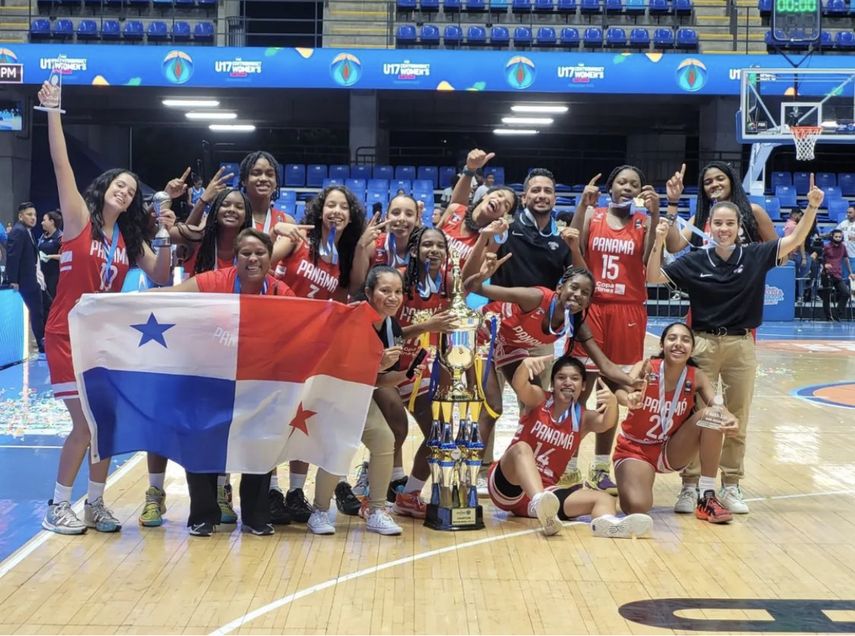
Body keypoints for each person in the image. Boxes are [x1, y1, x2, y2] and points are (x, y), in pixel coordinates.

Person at [37, 80, 172, 535]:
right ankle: (57, 505)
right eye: (120, 185)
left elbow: (159, 273)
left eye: (132, 191)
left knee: (106, 423)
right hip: (65, 334)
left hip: (101, 341)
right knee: (86, 423)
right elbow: (61, 165)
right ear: (105, 187)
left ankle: (94, 503)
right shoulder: (79, 219)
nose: (125, 193)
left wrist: (165, 232)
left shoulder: (127, 240)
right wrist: (53, 111)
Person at [647, 178, 824, 514]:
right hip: (701, 344)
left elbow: (796, 239)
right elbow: (653, 278)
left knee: (737, 417)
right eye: (718, 224)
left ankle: (731, 485)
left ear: (739, 227)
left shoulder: (756, 255)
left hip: (741, 344)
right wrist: (657, 242)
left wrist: (813, 207)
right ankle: (691, 486)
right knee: (697, 416)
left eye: (730, 223)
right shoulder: (695, 261)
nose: (724, 229)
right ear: (709, 228)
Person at [153, 228, 292, 536]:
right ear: (235, 258)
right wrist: (113, 302)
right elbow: (166, 298)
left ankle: (256, 516)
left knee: (261, 446)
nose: (253, 259)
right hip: (211, 380)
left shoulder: (282, 293)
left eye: (260, 253)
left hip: (259, 383)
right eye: (246, 253)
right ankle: (203, 514)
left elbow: (306, 330)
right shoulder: (215, 282)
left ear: (270, 258)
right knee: (200, 441)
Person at [138, 188, 255, 529]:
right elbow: (163, 229)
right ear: (216, 209)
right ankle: (154, 493)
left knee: (224, 420)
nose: (231, 209)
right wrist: (187, 201)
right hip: (187, 340)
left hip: (230, 345)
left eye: (238, 205)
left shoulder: (251, 249)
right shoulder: (196, 239)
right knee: (165, 417)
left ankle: (221, 491)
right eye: (226, 204)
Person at [466, 252, 638, 469]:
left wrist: (635, 383)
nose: (578, 295)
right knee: (493, 406)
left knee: (538, 405)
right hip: (480, 335)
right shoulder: (535, 297)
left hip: (510, 344)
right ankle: (469, 477)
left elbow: (605, 365)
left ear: (588, 302)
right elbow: (476, 288)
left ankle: (521, 465)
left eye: (585, 293)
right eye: (574, 287)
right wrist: (483, 275)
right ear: (560, 288)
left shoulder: (576, 322)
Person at [270, 186, 367, 525]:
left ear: (350, 215)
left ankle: (296, 491)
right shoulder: (299, 240)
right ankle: (270, 487)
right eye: (330, 204)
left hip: (311, 346)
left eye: (343, 206)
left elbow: (346, 295)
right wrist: (278, 230)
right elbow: (263, 261)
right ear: (319, 210)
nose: (336, 210)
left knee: (302, 417)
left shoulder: (342, 255)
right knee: (274, 416)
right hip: (278, 339)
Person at [567, 165, 661, 494]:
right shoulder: (594, 216)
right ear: (612, 186)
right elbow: (572, 242)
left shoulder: (644, 221)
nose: (628, 187)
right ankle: (567, 464)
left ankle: (600, 468)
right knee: (577, 390)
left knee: (610, 394)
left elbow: (650, 257)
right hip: (593, 307)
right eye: (622, 181)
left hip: (629, 310)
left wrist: (656, 211)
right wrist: (582, 204)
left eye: (634, 183)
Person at [490, 354, 653, 538]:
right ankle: (540, 504)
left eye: (574, 378)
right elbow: (520, 386)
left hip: (546, 492)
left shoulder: (582, 418)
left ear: (583, 386)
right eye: (561, 377)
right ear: (552, 384)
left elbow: (606, 423)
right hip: (508, 485)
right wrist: (524, 366)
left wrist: (613, 403)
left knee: (604, 498)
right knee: (522, 448)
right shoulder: (539, 399)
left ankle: (607, 524)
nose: (568, 382)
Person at [307, 265, 407, 536]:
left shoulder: (391, 325)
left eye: (398, 291)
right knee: (338, 447)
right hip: (331, 392)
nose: (393, 297)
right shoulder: (350, 319)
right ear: (368, 292)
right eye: (385, 290)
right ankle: (318, 511)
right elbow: (340, 368)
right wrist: (377, 363)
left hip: (359, 395)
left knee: (385, 440)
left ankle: (376, 510)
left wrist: (402, 375)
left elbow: (374, 380)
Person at [613, 322, 737, 524]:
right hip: (635, 448)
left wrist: (729, 416)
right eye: (672, 338)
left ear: (692, 348)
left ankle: (706, 496)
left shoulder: (695, 375)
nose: (678, 343)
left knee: (713, 415)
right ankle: (633, 480)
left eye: (685, 340)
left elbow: (716, 404)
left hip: (671, 449)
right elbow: (621, 389)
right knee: (638, 508)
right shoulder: (645, 367)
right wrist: (628, 398)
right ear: (662, 344)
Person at [665, 160, 777, 253]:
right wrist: (673, 202)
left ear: (731, 182)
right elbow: (673, 247)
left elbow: (779, 253)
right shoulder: (699, 218)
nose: (714, 184)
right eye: (708, 182)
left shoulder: (753, 211)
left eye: (720, 178)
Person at [437, 149, 518, 263]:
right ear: (485, 195)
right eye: (499, 195)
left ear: (504, 215)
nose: (500, 201)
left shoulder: (491, 239)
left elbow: (471, 277)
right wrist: (470, 169)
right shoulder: (454, 210)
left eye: (506, 205)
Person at [7, 202, 45, 358]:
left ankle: (42, 342)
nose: (33, 218)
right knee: (35, 313)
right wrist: (13, 280)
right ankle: (41, 343)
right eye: (29, 214)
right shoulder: (18, 231)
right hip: (24, 283)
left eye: (35, 215)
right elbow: (13, 257)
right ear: (20, 215)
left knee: (38, 312)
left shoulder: (27, 232)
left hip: (32, 280)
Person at [818, 229, 853, 321]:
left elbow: (846, 259)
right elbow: (818, 258)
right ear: (832, 237)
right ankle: (828, 317)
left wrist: (851, 273)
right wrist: (824, 264)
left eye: (839, 237)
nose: (838, 238)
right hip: (827, 274)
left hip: (838, 274)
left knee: (846, 293)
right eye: (836, 236)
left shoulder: (843, 247)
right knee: (827, 297)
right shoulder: (826, 247)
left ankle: (837, 315)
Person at [38, 210, 63, 320]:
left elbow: (65, 256)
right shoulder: (43, 236)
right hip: (42, 274)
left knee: (51, 301)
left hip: (54, 275)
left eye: (44, 220)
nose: (42, 223)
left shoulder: (60, 237)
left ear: (52, 222)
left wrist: (50, 257)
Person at [834, 206, 855, 276]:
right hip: (843, 254)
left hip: (853, 254)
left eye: (850, 212)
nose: (848, 214)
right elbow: (834, 233)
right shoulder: (843, 223)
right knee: (844, 276)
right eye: (847, 212)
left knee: (852, 277)